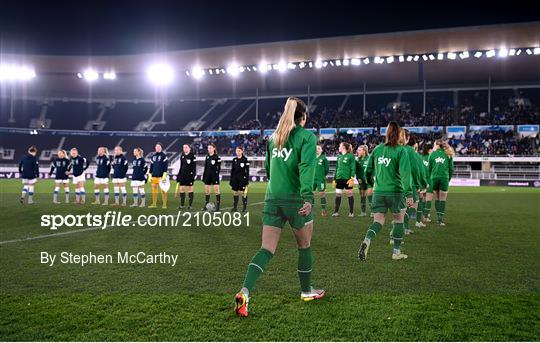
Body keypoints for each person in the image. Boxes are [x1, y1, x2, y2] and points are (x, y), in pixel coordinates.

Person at [234, 97, 324, 318]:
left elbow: (267, 169)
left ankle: (244, 292)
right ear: (304, 117)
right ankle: (306, 291)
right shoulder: (307, 137)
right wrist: (307, 198)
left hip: (272, 199)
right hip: (295, 200)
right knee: (304, 246)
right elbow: (306, 168)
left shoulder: (274, 138)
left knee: (266, 249)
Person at [357, 122, 413, 261]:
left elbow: (367, 170)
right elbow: (405, 174)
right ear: (399, 134)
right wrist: (409, 194)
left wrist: (371, 183)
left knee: (378, 221)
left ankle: (367, 239)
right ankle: (396, 252)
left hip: (379, 191)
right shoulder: (401, 150)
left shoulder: (377, 149)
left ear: (386, 133)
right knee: (399, 220)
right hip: (395, 192)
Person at [425, 139, 455, 226]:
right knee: (442, 199)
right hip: (444, 178)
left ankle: (434, 217)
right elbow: (451, 169)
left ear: (437, 145)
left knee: (437, 198)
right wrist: (448, 179)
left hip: (434, 178)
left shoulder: (432, 154)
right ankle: (440, 219)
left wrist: (429, 179)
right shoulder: (448, 154)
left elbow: (429, 169)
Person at [332, 142, 356, 217]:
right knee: (338, 194)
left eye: (339, 145)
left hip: (347, 178)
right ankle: (336, 212)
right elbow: (336, 168)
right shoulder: (339, 156)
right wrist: (334, 178)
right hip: (339, 178)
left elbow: (353, 167)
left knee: (349, 194)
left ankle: (351, 212)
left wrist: (352, 178)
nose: (338, 147)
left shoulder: (351, 156)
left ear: (343, 147)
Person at [175, 144, 196, 210]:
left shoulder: (193, 156)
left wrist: (193, 175)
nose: (185, 148)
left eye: (186, 147)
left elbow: (194, 167)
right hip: (182, 175)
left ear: (189, 148)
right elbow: (181, 166)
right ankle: (182, 205)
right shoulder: (182, 156)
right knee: (181, 189)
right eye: (184, 147)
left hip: (190, 175)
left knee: (190, 190)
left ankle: (190, 205)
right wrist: (179, 175)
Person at [149, 142, 169, 209]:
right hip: (154, 176)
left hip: (161, 177)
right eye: (156, 147)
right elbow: (151, 167)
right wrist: (150, 175)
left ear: (161, 148)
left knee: (163, 191)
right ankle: (154, 204)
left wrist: (164, 175)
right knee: (154, 190)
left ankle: (164, 204)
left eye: (158, 147)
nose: (157, 148)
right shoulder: (153, 156)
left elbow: (165, 167)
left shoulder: (164, 156)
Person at [230, 146, 250, 212]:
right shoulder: (234, 160)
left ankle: (244, 208)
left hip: (242, 179)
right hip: (235, 179)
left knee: (243, 193)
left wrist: (246, 180)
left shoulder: (245, 160)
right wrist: (231, 179)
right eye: (236, 151)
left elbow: (247, 171)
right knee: (235, 193)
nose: (237, 152)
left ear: (242, 151)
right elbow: (232, 170)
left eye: (239, 151)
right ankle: (235, 207)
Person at [202, 143, 221, 211]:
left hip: (214, 176)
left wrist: (216, 175)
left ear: (214, 149)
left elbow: (219, 168)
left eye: (210, 148)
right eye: (208, 148)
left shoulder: (217, 157)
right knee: (207, 191)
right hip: (207, 176)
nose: (209, 149)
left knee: (216, 190)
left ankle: (218, 206)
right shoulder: (207, 157)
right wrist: (204, 176)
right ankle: (206, 206)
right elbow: (205, 167)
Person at [313, 145, 330, 216]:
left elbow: (327, 169)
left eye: (319, 148)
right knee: (310, 194)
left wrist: (322, 175)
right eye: (316, 148)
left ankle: (323, 210)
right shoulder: (312, 158)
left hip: (321, 179)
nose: (317, 150)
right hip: (312, 179)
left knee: (322, 194)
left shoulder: (324, 158)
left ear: (321, 150)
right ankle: (310, 210)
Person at [355, 145, 369, 216]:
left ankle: (373, 212)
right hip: (361, 181)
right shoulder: (357, 160)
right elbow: (356, 171)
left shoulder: (369, 158)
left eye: (360, 150)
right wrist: (358, 178)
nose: (358, 151)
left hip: (369, 180)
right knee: (362, 195)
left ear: (364, 151)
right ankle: (363, 212)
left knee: (370, 195)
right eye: (358, 150)